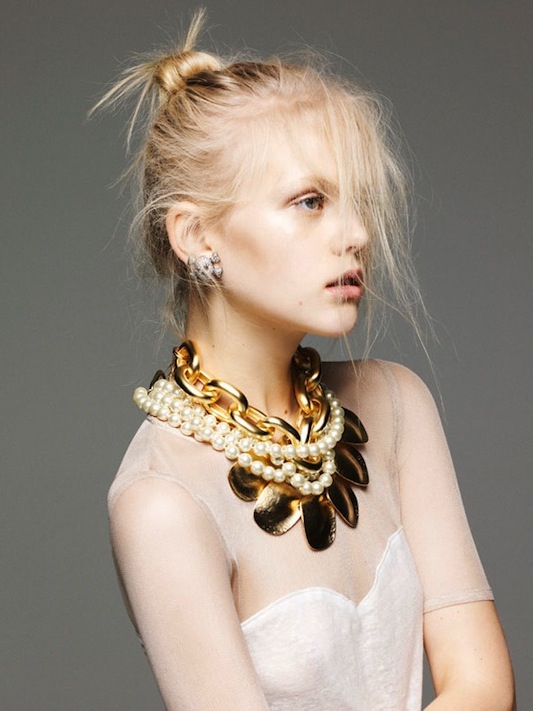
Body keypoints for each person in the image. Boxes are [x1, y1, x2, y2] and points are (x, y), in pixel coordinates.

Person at [100, 11, 515, 710]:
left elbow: (483, 683)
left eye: (354, 202)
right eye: (309, 201)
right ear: (196, 234)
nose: (356, 234)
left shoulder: (395, 404)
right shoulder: (162, 501)